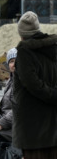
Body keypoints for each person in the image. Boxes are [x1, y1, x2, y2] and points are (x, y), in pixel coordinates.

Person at [13, 11, 57, 158]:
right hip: (52, 122)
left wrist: (52, 95)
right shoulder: (53, 48)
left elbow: (32, 84)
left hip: (32, 125)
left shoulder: (25, 52)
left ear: (22, 34)